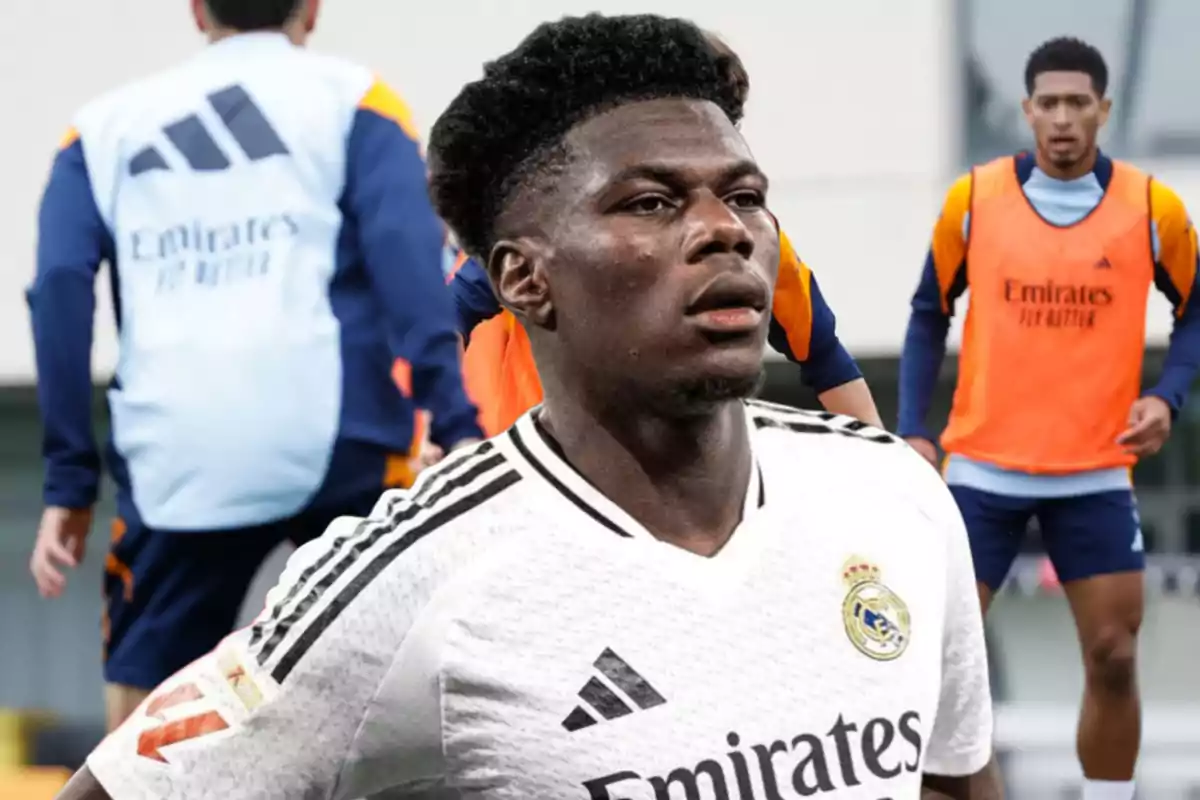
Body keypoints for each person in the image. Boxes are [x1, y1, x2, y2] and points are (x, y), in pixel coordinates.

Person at [61, 13, 999, 798]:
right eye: (651, 204)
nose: (724, 228)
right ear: (525, 279)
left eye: (744, 195)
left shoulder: (895, 501)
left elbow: (958, 780)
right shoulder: (415, 574)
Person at [27, 0, 481, 732]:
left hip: (176, 456)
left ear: (196, 10)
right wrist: (458, 426)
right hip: (345, 444)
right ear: (313, 9)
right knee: (402, 698)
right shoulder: (358, 98)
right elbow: (408, 264)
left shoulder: (99, 129)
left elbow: (58, 293)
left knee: (143, 729)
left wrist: (70, 482)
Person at [897, 36, 1200, 800]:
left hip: (1095, 472)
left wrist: (1167, 397)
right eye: (1048, 104)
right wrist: (913, 427)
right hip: (980, 471)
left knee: (1114, 655)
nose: (1062, 119)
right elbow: (928, 312)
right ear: (1028, 111)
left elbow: (1195, 311)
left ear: (1104, 109)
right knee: (933, 658)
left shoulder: (1153, 208)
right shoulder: (974, 200)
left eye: (1078, 104)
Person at [446, 32, 882, 436]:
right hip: (529, 462)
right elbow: (447, 317)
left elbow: (825, 358)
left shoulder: (750, 235)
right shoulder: (544, 219)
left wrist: (892, 471)